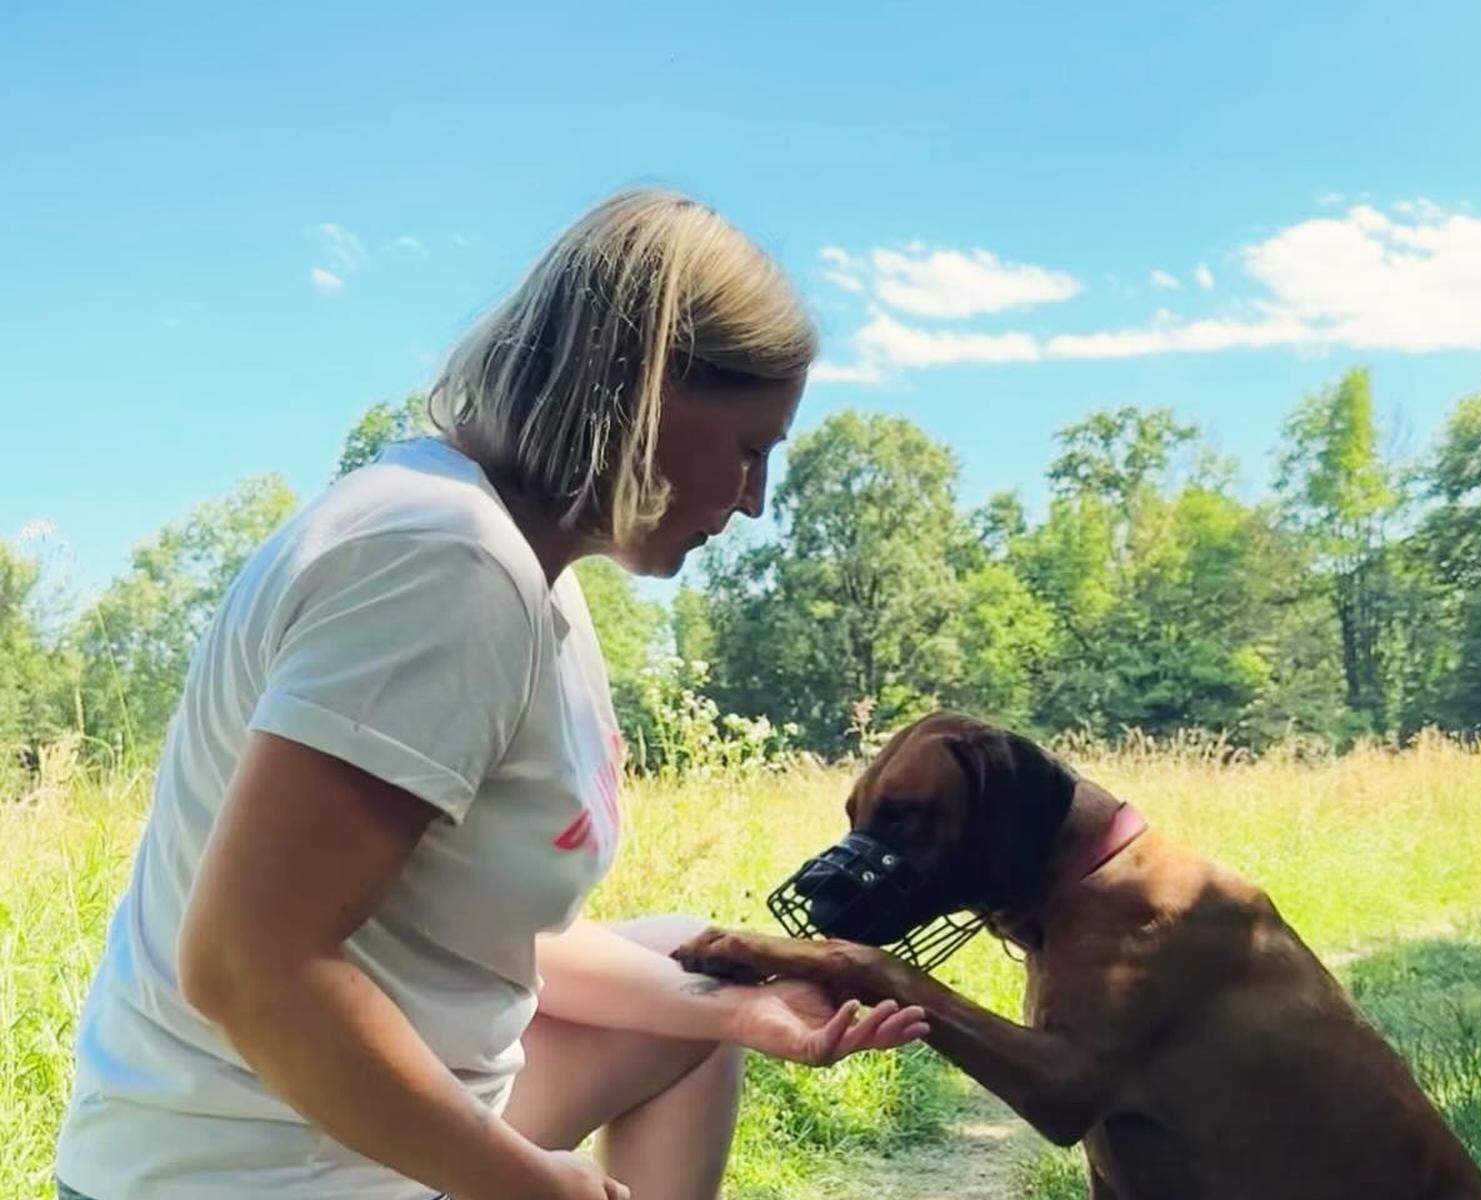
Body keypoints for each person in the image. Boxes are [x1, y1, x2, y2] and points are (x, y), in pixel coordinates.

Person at [54, 188, 928, 1200]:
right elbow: (252, 968)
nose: (754, 499)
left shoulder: (527, 579)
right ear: (645, 391)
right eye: (750, 447)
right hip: (251, 1171)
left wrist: (736, 1012)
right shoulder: (442, 565)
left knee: (689, 974)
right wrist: (529, 1186)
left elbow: (490, 942)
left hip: (349, 1127)